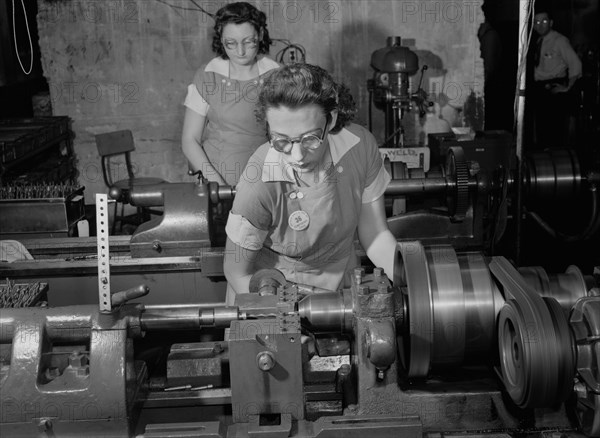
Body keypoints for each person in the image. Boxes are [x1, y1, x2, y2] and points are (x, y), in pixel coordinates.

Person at [223, 63, 398, 304]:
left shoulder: (359, 148)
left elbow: (375, 234)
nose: (297, 156)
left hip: (340, 284)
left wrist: (407, 278)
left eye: (310, 139)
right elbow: (236, 271)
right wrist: (284, 322)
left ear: (332, 119)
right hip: (268, 292)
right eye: (281, 141)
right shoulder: (259, 181)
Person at [181, 2, 280, 186]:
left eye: (248, 41)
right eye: (231, 43)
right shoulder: (208, 76)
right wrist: (217, 185)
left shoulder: (276, 74)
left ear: (259, 34)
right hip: (218, 181)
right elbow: (190, 140)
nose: (240, 51)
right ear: (221, 39)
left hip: (266, 179)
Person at [531, 10, 582, 149]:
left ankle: (556, 163)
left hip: (553, 89)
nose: (540, 25)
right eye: (537, 22)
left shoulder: (559, 40)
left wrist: (568, 87)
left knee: (553, 132)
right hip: (540, 88)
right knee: (542, 131)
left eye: (544, 21)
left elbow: (575, 64)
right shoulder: (539, 41)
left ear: (551, 23)